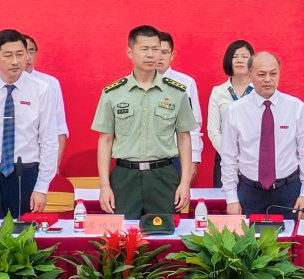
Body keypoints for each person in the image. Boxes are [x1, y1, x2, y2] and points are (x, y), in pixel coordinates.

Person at [93, 25, 194, 219]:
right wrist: (104, 186)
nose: (151, 55)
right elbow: (105, 140)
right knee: (123, 235)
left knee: (165, 233)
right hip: (125, 176)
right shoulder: (113, 93)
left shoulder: (177, 92)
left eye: (156, 49)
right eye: (144, 49)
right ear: (130, 52)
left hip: (163, 175)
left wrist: (185, 183)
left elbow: (184, 137)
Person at [0, 29, 63, 219]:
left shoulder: (42, 90)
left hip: (26, 173)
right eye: (8, 55)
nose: (15, 61)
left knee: (25, 233)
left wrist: (42, 186)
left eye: (20, 54)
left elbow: (49, 140)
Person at [220, 51, 304, 218]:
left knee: (289, 235)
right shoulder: (236, 110)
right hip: (249, 192)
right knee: (248, 235)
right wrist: (231, 199)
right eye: (261, 74)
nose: (268, 79)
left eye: (273, 74)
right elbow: (229, 157)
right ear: (250, 75)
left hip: (288, 191)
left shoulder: (295, 107)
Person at [207, 40, 255, 188]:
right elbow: (213, 130)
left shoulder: (260, 91)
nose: (239, 60)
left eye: (244, 56)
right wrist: (230, 155)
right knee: (225, 200)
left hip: (255, 159)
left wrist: (248, 156)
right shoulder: (218, 92)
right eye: (235, 56)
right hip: (225, 159)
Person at [157, 32, 205, 178]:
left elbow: (194, 124)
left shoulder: (185, 83)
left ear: (172, 55)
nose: (160, 56)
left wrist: (194, 158)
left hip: (176, 156)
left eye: (164, 52)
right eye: (156, 51)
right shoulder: (136, 83)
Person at [21, 34, 70, 166]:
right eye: (21, 52)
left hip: (39, 160)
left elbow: (59, 128)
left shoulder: (49, 84)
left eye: (31, 51)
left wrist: (54, 166)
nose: (27, 57)